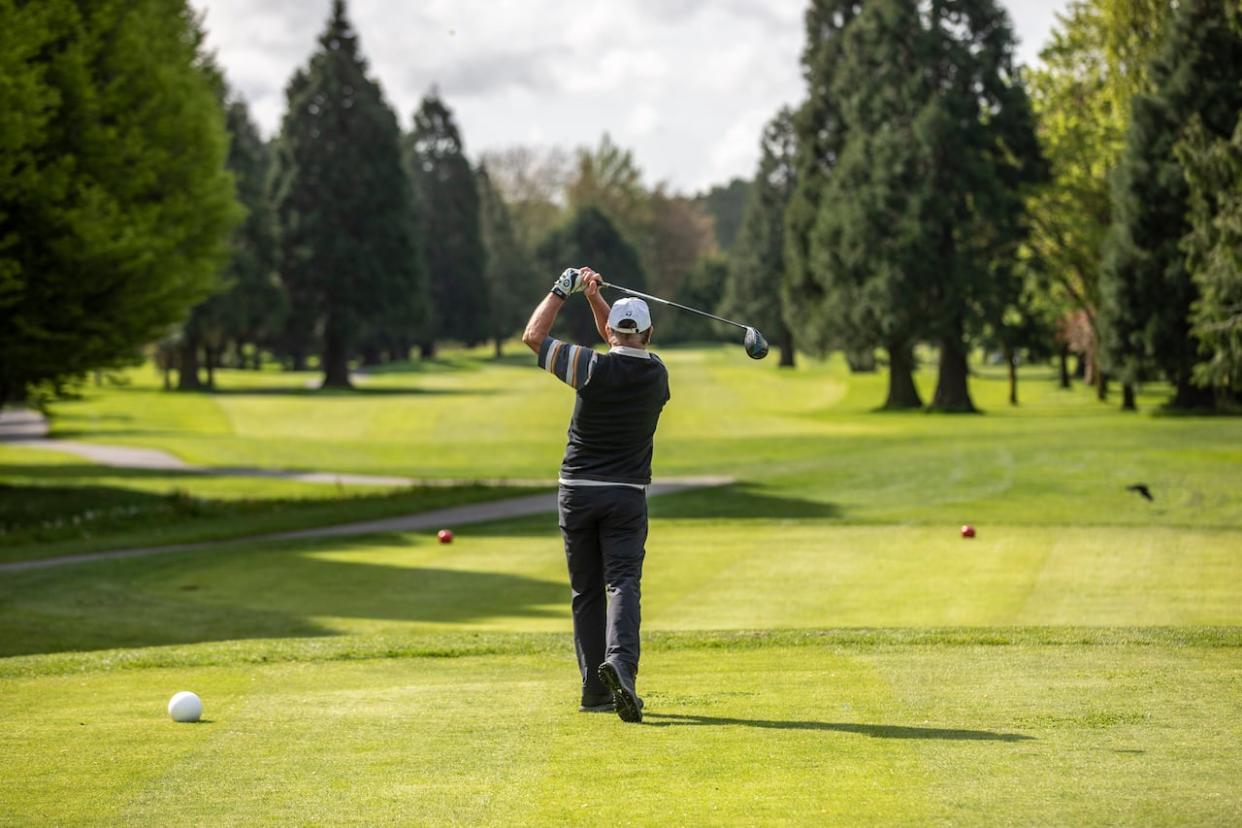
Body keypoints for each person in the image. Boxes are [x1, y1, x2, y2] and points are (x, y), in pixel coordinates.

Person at [521, 265, 670, 723]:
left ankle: (593, 691)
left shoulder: (588, 367)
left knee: (586, 591)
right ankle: (621, 670)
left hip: (577, 492)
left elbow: (533, 336)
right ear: (649, 333)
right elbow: (621, 341)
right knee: (622, 582)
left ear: (609, 332)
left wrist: (563, 290)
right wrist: (594, 296)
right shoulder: (658, 376)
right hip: (625, 495)